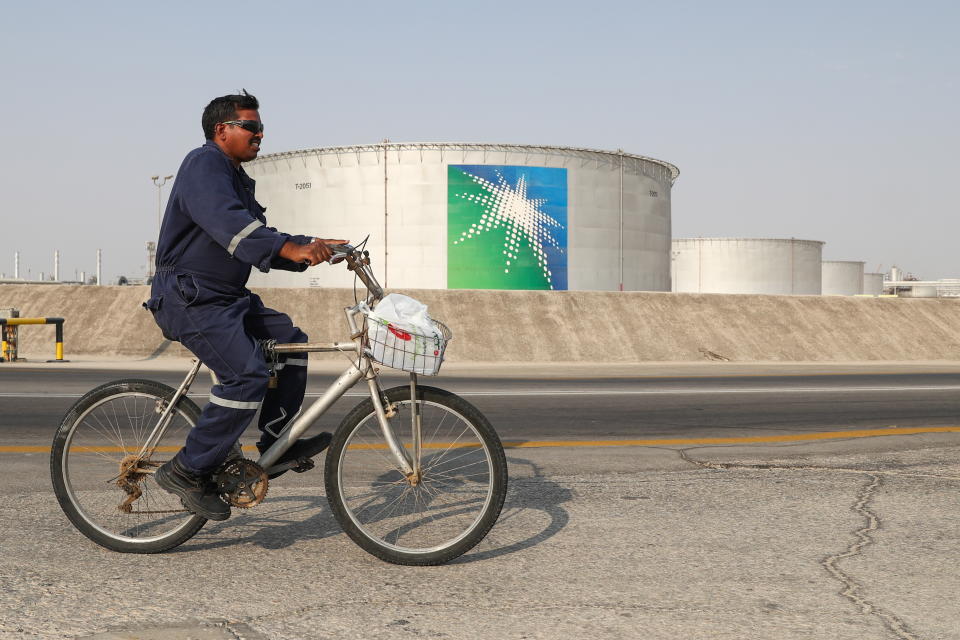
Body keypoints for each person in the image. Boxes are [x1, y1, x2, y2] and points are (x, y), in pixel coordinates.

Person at [144, 90, 344, 521]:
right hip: (190, 295)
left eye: (260, 128)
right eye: (251, 127)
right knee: (245, 376)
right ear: (222, 131)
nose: (260, 135)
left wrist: (310, 247)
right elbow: (229, 224)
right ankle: (186, 470)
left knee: (289, 342)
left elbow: (257, 234)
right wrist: (290, 248)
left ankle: (277, 441)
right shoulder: (204, 163)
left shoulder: (235, 177)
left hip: (226, 297)